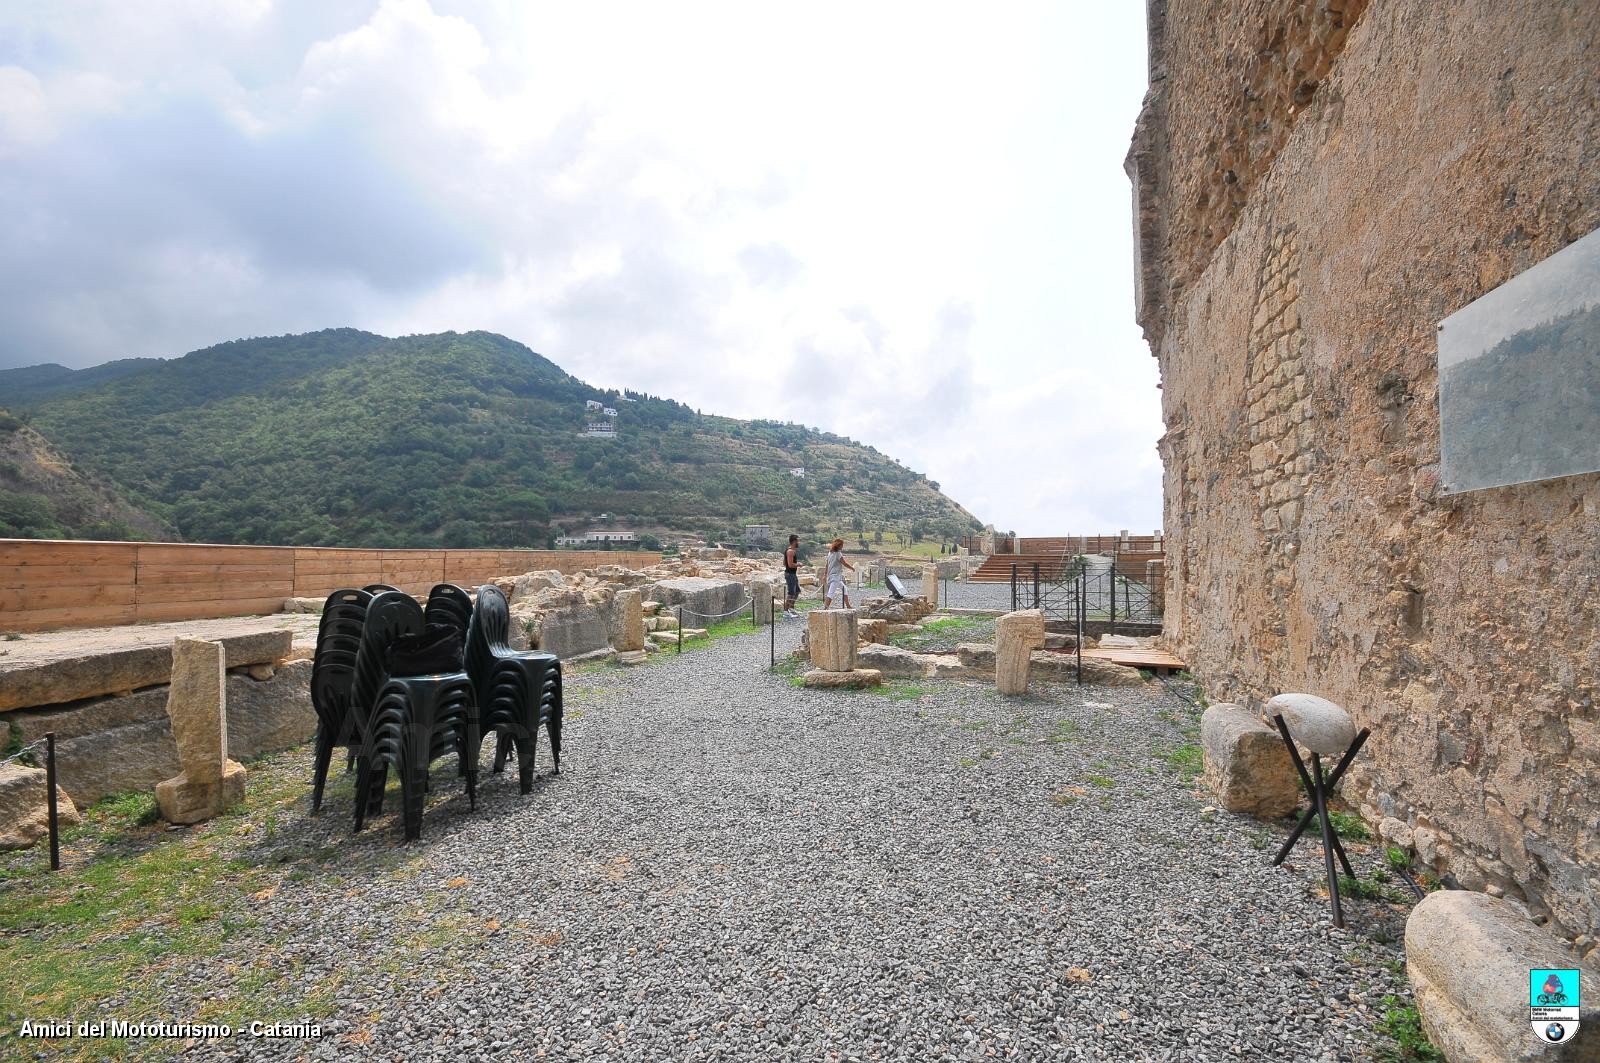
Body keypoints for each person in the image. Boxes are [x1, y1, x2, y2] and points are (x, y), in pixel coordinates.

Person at [823, 537, 854, 609]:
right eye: (842, 545)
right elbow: (844, 563)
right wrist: (852, 568)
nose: (842, 546)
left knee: (844, 588)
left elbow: (827, 564)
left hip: (832, 576)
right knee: (831, 593)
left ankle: (848, 606)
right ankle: (825, 608)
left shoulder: (830, 553)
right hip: (835, 577)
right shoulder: (838, 553)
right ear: (839, 545)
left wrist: (825, 575)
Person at [782, 534, 802, 619]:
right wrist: (798, 564)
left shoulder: (791, 551)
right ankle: (786, 612)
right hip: (790, 574)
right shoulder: (790, 551)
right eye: (798, 540)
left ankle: (791, 608)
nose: (799, 542)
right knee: (791, 593)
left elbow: (784, 563)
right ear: (794, 541)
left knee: (797, 591)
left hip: (793, 574)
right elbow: (790, 565)